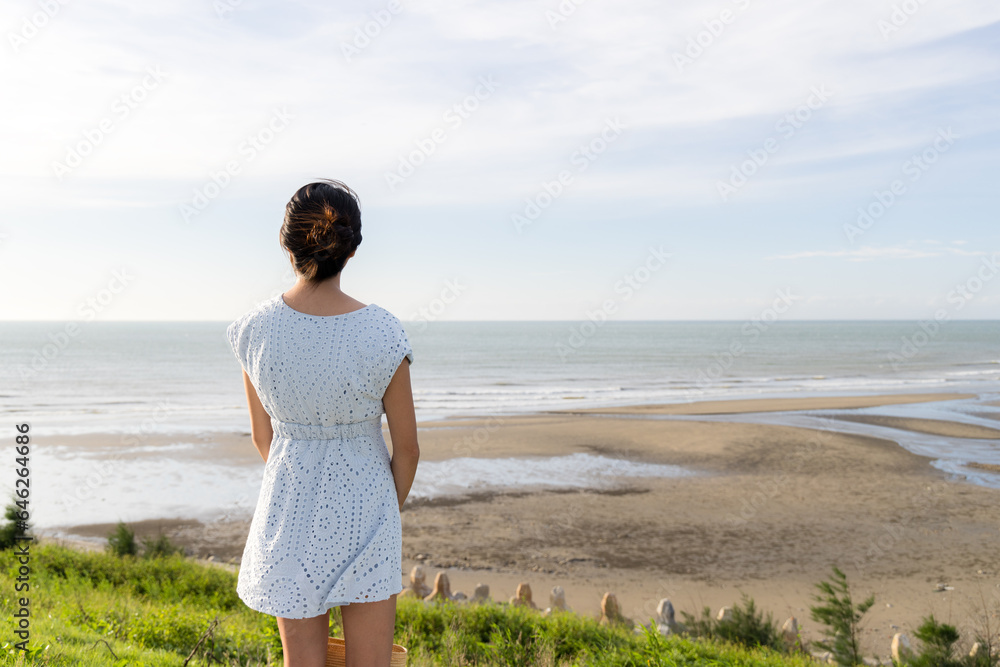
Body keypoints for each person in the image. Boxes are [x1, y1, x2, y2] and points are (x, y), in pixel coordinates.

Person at [225, 179, 419, 667]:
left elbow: (261, 435)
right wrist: (380, 511)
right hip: (368, 509)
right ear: (351, 250)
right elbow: (409, 449)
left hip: (289, 506)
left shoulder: (254, 330)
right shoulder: (382, 330)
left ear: (287, 246)